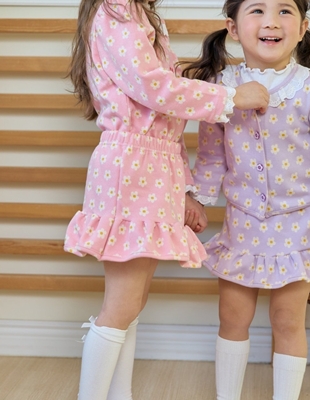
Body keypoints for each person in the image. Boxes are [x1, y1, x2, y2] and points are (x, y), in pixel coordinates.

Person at [63, 0, 270, 399]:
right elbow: (154, 88)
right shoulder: (115, 12)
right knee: (121, 305)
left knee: (132, 303)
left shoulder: (137, 13)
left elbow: (166, 123)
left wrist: (185, 187)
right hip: (131, 166)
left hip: (153, 165)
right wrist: (229, 98)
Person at [183, 0, 310, 399]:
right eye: (257, 11)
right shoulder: (221, 91)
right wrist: (198, 199)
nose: (271, 22)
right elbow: (211, 155)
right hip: (243, 223)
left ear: (302, 29)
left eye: (284, 11)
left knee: (287, 320)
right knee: (232, 316)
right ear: (233, 28)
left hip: (300, 227)